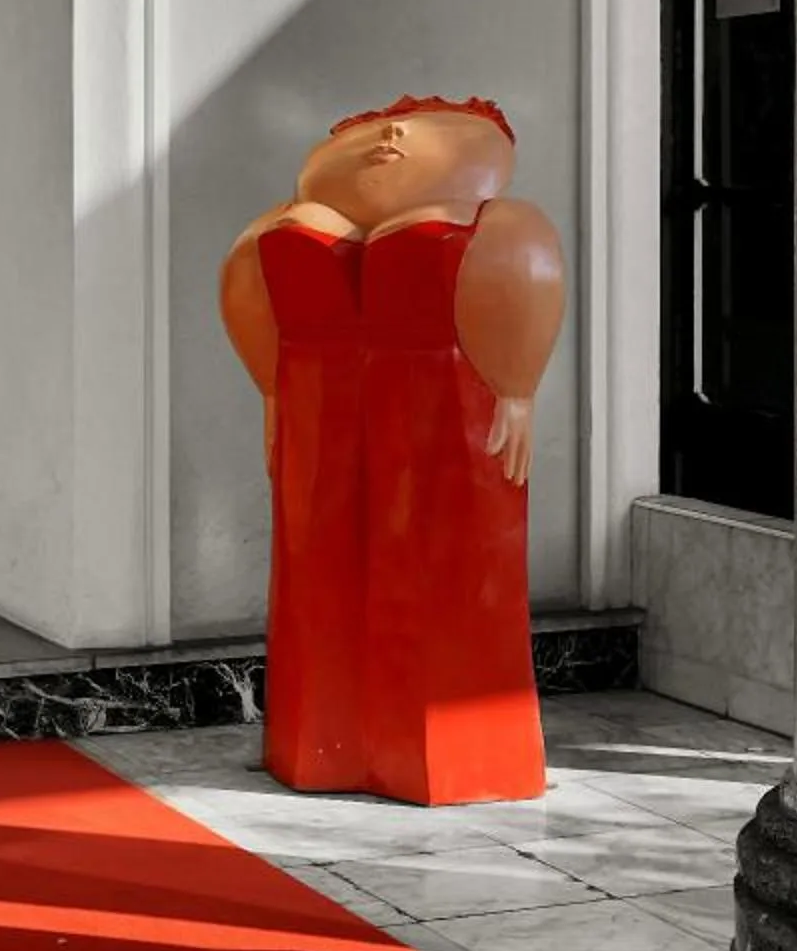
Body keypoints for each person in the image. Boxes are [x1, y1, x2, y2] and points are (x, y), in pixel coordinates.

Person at [221, 96, 565, 805]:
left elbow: (525, 274)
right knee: (319, 563)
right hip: (317, 399)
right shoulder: (291, 216)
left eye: (431, 125)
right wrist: (272, 392)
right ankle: (322, 745)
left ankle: (449, 756)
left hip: (446, 400)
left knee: (443, 565)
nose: (397, 131)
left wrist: (517, 386)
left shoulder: (495, 217)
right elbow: (249, 295)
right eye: (375, 127)